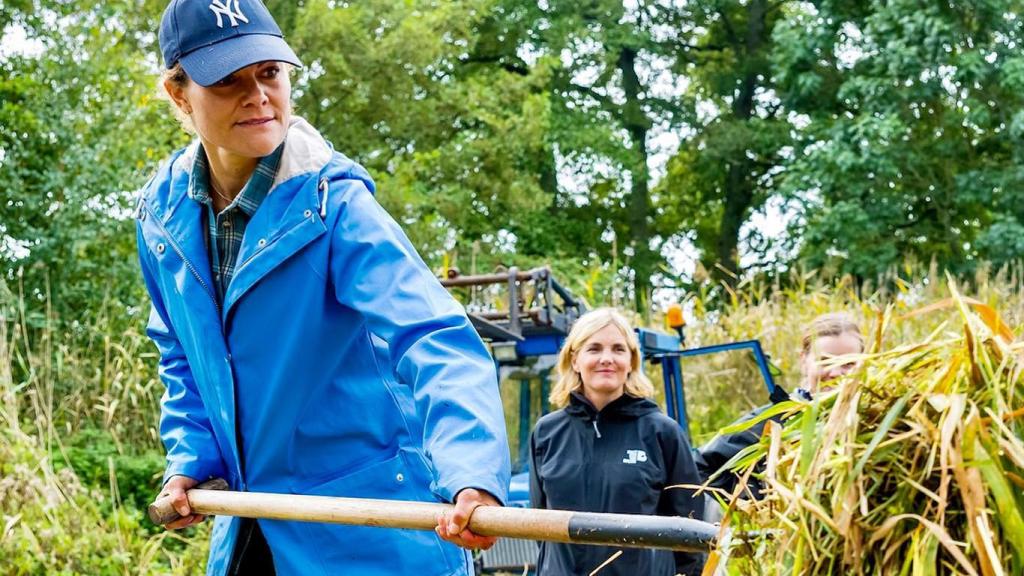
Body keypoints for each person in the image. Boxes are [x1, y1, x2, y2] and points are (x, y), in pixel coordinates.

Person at [137, 1, 510, 574]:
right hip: (250, 527)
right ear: (178, 94)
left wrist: (472, 475)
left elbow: (432, 337)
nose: (258, 95)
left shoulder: (335, 205)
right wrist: (191, 459)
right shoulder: (162, 219)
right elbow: (182, 355)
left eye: (269, 72)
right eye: (228, 81)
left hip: (370, 529)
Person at [528, 308, 704, 576]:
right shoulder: (546, 433)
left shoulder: (662, 432)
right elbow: (540, 527)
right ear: (575, 360)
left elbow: (690, 536)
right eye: (594, 349)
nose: (606, 359)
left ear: (632, 361)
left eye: (618, 349)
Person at [696, 312, 864, 495]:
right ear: (803, 362)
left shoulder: (875, 419)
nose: (835, 372)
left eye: (848, 363)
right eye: (824, 360)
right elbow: (700, 468)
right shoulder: (771, 422)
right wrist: (757, 501)